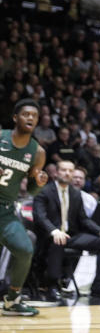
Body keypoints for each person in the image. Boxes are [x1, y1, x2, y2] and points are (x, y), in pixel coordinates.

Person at [33, 160, 100, 301]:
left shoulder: (75, 194)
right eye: (63, 170)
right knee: (58, 240)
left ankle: (98, 284)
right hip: (49, 237)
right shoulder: (44, 191)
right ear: (56, 172)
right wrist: (54, 231)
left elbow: (84, 219)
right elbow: (40, 217)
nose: (67, 173)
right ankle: (52, 286)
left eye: (70, 171)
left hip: (71, 236)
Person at [0, 99, 48, 315]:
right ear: (15, 118)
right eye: (26, 114)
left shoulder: (37, 152)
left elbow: (30, 190)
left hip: (6, 210)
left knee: (25, 249)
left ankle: (12, 300)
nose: (30, 118)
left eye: (34, 116)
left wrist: (38, 184)